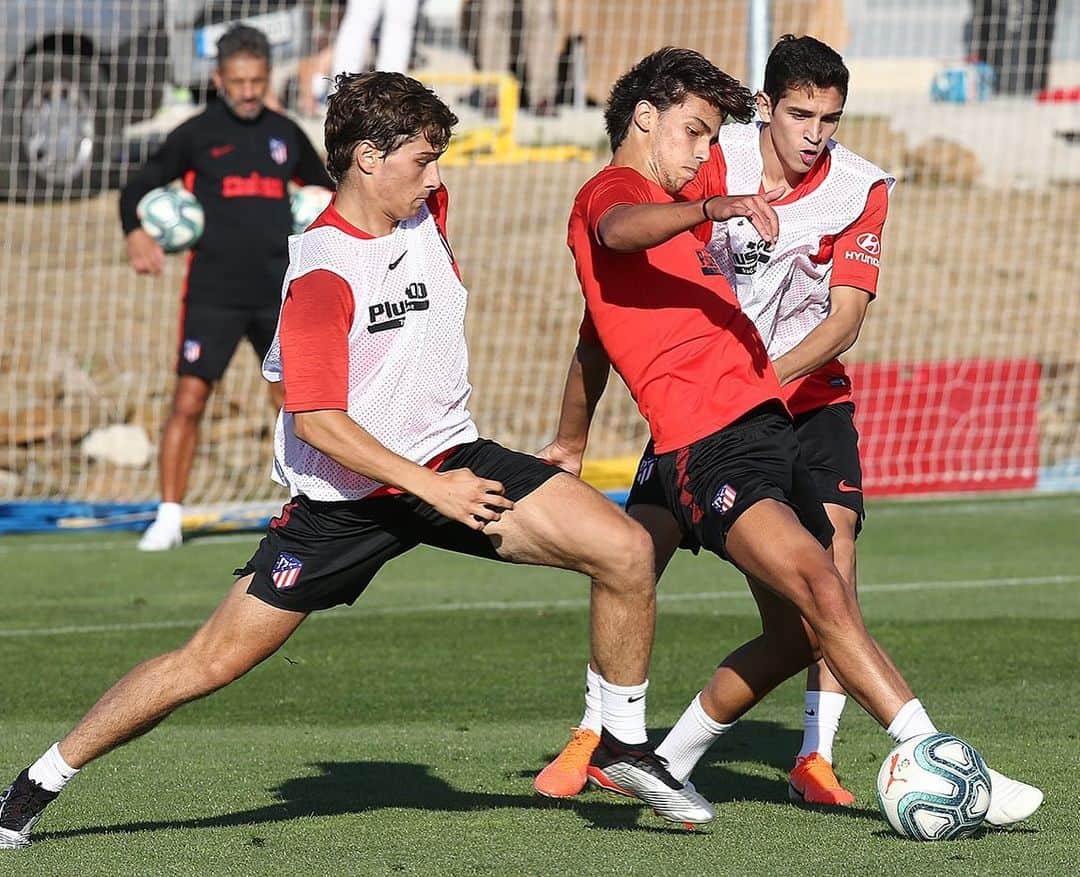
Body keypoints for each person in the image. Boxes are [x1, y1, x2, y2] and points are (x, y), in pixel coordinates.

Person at [0, 69, 703, 851]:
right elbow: (320, 421)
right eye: (421, 160)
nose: (437, 178)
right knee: (209, 661)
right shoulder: (323, 276)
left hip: (449, 455)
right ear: (367, 158)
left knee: (627, 549)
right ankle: (35, 784)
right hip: (344, 502)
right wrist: (431, 486)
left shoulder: (426, 209)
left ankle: (622, 743)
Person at [532, 46, 1043, 828]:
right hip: (709, 437)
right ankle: (941, 758)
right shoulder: (619, 190)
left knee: (803, 626)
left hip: (766, 419)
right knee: (804, 580)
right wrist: (712, 208)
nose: (709, 157)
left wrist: (571, 439)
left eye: (712, 138)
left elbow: (596, 335)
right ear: (644, 119)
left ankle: (661, 758)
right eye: (696, 135)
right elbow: (620, 226)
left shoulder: (814, 188)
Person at [120, 25, 335, 552]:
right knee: (189, 399)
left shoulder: (284, 133)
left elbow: (328, 189)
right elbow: (139, 186)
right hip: (213, 293)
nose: (246, 91)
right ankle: (169, 516)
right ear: (218, 78)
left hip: (278, 293)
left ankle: (317, 507)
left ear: (266, 78)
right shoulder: (196, 135)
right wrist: (136, 233)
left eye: (256, 81)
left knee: (295, 403)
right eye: (237, 81)